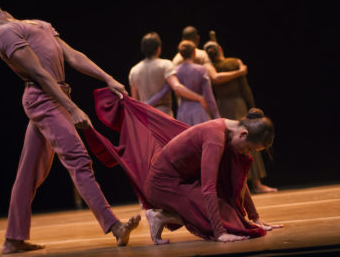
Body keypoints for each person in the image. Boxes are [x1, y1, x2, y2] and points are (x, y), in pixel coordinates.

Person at [0, 2, 140, 254]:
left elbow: (72, 56)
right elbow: (38, 74)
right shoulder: (3, 33)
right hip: (44, 100)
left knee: (28, 172)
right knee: (78, 159)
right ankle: (115, 226)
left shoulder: (36, 24)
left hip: (52, 97)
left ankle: (13, 239)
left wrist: (108, 78)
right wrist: (71, 108)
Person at [83, 88, 282, 246]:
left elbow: (236, 179)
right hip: (162, 185)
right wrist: (220, 233)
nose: (247, 153)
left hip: (183, 181)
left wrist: (254, 218)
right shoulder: (215, 137)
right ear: (243, 135)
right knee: (224, 217)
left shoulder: (230, 134)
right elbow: (208, 187)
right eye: (250, 149)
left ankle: (162, 216)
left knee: (232, 214)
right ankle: (160, 213)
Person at [204, 41, 277, 193]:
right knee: (250, 139)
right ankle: (256, 184)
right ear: (220, 49)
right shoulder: (234, 62)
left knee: (231, 144)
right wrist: (252, 105)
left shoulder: (209, 67)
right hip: (237, 104)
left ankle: (232, 185)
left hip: (221, 106)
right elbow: (244, 87)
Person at [130, 32, 209, 116]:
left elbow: (135, 100)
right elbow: (177, 87)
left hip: (145, 116)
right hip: (163, 114)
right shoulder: (165, 65)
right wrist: (199, 98)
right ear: (159, 49)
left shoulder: (134, 71)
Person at [172, 26, 248, 84]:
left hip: (182, 104)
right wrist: (239, 72)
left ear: (182, 40)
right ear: (198, 38)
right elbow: (215, 78)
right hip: (201, 102)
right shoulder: (202, 55)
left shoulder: (175, 60)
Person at [174, 40, 220, 126]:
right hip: (199, 111)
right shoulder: (201, 70)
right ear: (194, 52)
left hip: (182, 112)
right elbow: (209, 97)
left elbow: (163, 91)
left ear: (180, 54)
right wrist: (217, 116)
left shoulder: (175, 71)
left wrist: (147, 103)